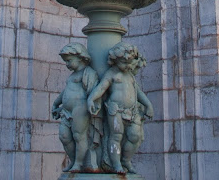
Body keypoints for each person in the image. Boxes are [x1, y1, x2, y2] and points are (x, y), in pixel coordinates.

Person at [87, 43, 153, 174]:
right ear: (115, 60)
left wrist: (148, 105)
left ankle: (125, 160)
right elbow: (101, 88)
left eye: (129, 62)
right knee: (116, 137)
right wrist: (91, 99)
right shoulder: (111, 73)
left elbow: (138, 92)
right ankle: (116, 164)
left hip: (132, 111)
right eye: (124, 62)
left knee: (135, 136)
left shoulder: (129, 75)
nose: (128, 65)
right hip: (116, 111)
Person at [52, 43, 99, 173]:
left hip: (80, 109)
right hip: (66, 111)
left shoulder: (88, 73)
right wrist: (56, 103)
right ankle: (74, 160)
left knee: (79, 136)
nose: (67, 64)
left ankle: (78, 163)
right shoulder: (72, 75)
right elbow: (66, 91)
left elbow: (93, 91)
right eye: (66, 61)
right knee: (64, 136)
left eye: (69, 61)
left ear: (80, 57)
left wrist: (91, 103)